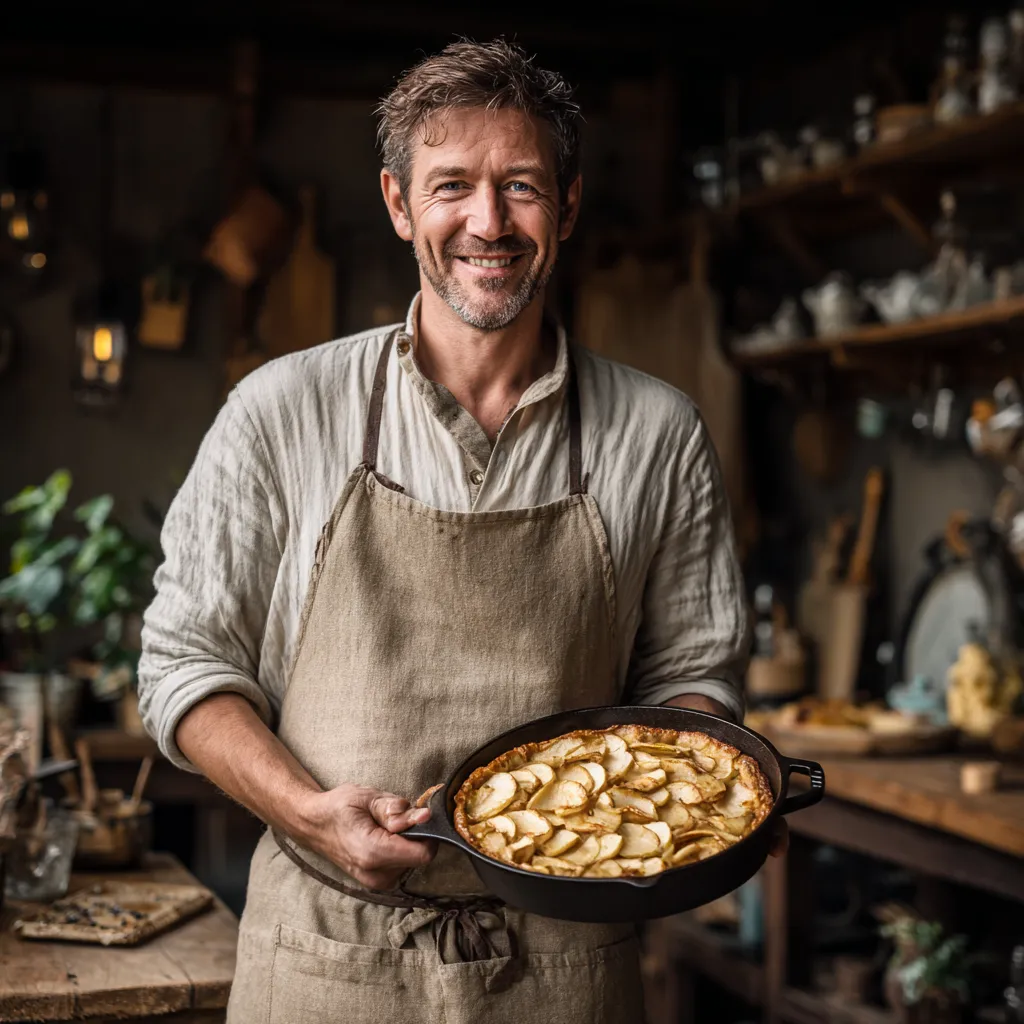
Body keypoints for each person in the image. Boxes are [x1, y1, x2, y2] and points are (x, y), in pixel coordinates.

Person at [139, 37, 770, 1023]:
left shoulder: (658, 431)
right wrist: (309, 812)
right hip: (325, 954)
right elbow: (181, 668)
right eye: (451, 187)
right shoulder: (280, 410)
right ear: (398, 203)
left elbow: (692, 681)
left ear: (564, 206)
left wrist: (690, 807)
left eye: (520, 186)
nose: (488, 222)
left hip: (566, 970)